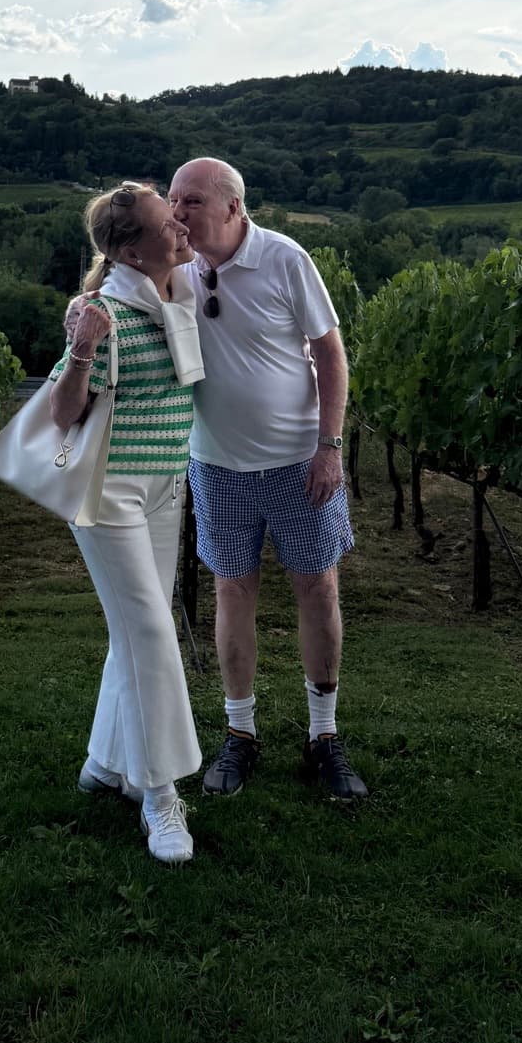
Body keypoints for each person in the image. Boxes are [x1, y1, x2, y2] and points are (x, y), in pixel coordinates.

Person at [168, 157, 368, 801]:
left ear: (233, 207)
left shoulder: (285, 259)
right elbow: (109, 288)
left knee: (317, 588)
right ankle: (240, 733)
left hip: (298, 463)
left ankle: (324, 735)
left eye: (191, 200)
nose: (178, 212)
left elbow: (331, 353)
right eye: (173, 199)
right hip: (217, 465)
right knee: (233, 592)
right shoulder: (175, 269)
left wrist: (329, 446)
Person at [48, 181, 206, 863]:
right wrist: (82, 345)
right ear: (131, 249)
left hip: (166, 488)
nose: (179, 225)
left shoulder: (178, 296)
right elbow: (61, 414)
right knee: (151, 630)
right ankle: (160, 794)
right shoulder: (106, 311)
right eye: (166, 220)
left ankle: (105, 761)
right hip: (108, 493)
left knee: (132, 631)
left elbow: (220, 243)